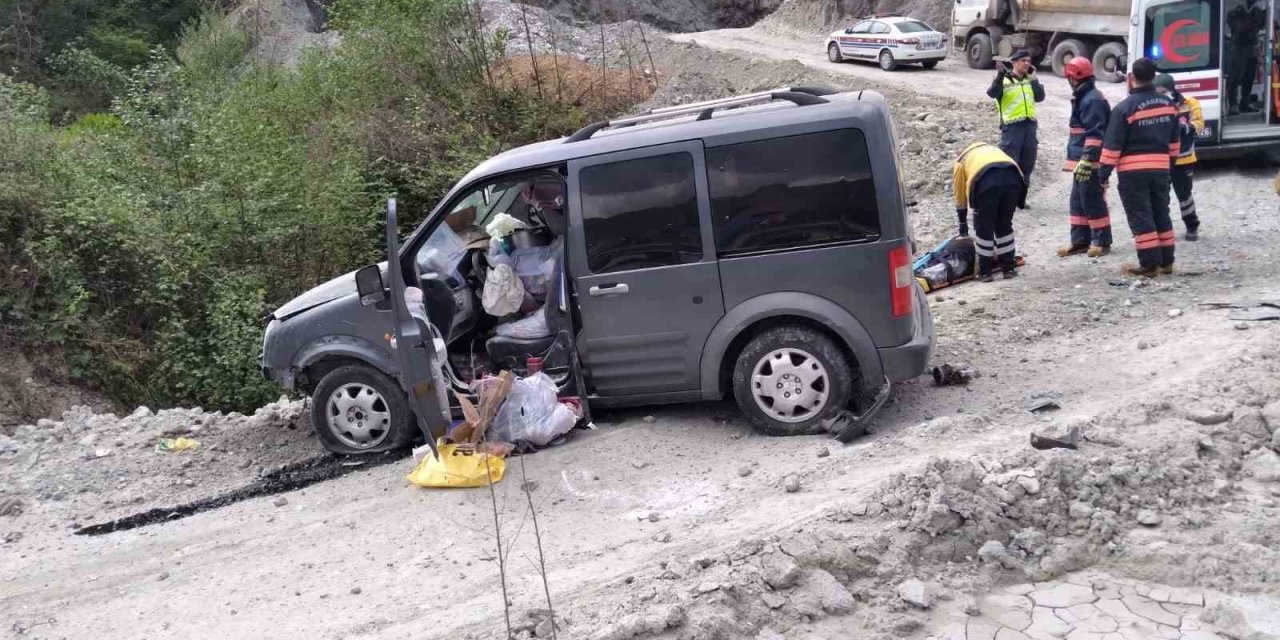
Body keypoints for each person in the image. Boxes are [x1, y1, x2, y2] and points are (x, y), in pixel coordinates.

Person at [1097, 57, 1181, 277]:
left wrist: (1103, 174)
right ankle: (1167, 261)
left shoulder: (1125, 108)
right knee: (1161, 211)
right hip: (1161, 168)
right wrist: (1169, 166)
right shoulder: (1168, 105)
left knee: (1140, 214)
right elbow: (1175, 143)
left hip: (1133, 172)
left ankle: (1148, 264)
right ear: (1154, 76)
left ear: (1132, 77)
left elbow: (1112, 146)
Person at [1058, 57, 1113, 258]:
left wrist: (1088, 160)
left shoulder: (1092, 100)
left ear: (1074, 78)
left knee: (1092, 199)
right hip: (1081, 161)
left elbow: (1095, 134)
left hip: (1091, 162)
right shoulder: (1085, 97)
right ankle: (1080, 241)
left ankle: (1101, 241)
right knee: (1078, 201)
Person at [953, 141, 1025, 281]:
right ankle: (1008, 269)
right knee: (1004, 225)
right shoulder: (992, 149)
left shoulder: (961, 160)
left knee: (984, 227)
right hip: (1013, 180)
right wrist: (1021, 199)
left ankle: (985, 272)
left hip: (985, 183)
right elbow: (1017, 169)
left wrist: (962, 224)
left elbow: (959, 193)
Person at [987, 49, 1044, 208]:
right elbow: (992, 93)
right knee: (1010, 165)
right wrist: (999, 76)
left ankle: (1020, 200)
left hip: (1029, 127)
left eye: (1028, 60)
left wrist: (1034, 79)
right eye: (1023, 60)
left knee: (1027, 164)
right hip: (1012, 128)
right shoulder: (1003, 80)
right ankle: (1006, 201)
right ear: (1014, 63)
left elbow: (1040, 97)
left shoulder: (1029, 80)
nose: (1027, 63)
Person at [1153, 74, 1204, 241]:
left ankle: (1192, 225)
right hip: (1162, 159)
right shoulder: (1153, 105)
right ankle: (1162, 229)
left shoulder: (1189, 104)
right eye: (1157, 91)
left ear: (1172, 89)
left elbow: (1199, 124)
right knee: (1161, 196)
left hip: (1183, 158)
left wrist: (1184, 127)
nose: (1160, 94)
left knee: (1184, 195)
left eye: (1163, 91)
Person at [1227, 0, 1266, 114]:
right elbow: (1238, 27)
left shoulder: (1257, 11)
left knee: (1249, 77)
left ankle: (1245, 103)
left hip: (1251, 46)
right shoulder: (1235, 11)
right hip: (1238, 47)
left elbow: (1261, 24)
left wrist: (1263, 13)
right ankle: (1233, 105)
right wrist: (1251, 24)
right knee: (1235, 76)